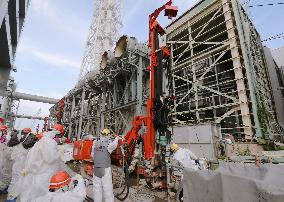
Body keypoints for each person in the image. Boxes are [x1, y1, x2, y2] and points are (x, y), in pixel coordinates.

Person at [14, 124, 67, 201]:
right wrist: (61, 152)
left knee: (32, 195)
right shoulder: (49, 142)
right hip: (44, 175)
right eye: (60, 136)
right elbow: (50, 159)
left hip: (39, 172)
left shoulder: (44, 140)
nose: (59, 138)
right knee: (40, 197)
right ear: (57, 134)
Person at [6, 129, 37, 202]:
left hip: (16, 161)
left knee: (15, 179)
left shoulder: (15, 137)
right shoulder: (27, 140)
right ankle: (11, 197)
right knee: (17, 179)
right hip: (20, 162)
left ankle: (10, 196)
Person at [92, 128, 121, 202]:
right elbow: (114, 145)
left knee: (97, 188)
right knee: (107, 188)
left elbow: (92, 155)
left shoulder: (95, 142)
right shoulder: (109, 144)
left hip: (96, 169)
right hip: (105, 168)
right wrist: (117, 138)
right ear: (108, 136)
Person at [0, 124, 12, 194]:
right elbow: (8, 154)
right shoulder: (5, 139)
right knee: (3, 174)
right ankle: (1, 188)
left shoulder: (4, 139)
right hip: (3, 159)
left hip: (3, 158)